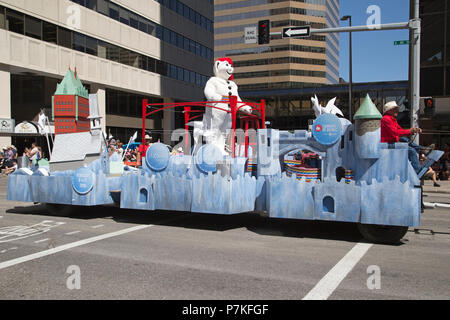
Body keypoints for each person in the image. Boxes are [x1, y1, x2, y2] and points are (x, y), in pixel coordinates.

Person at [381, 101, 433, 173]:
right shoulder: (386, 119)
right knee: (411, 150)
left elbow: (400, 130)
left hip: (392, 142)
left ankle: (422, 149)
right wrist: (410, 131)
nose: (397, 110)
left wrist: (414, 130)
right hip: (387, 144)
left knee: (405, 139)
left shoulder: (392, 119)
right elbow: (395, 132)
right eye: (395, 109)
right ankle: (418, 170)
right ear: (389, 110)